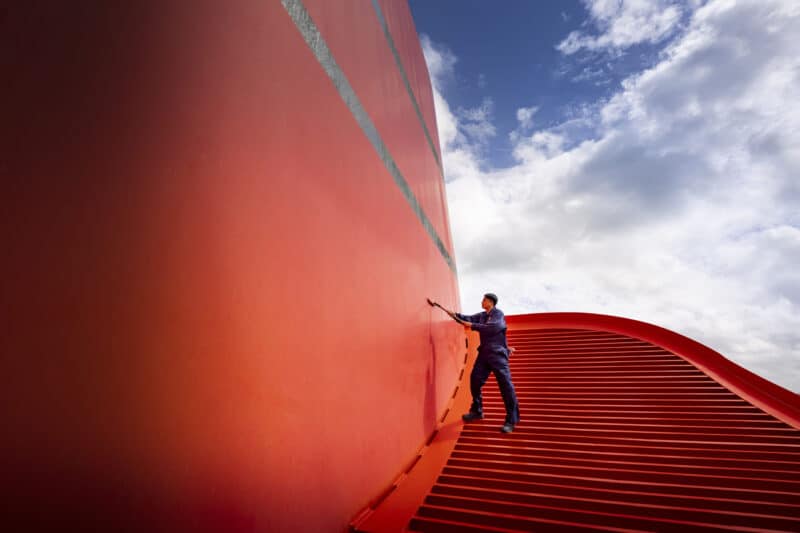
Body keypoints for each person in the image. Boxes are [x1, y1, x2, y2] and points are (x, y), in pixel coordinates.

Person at [441, 293, 520, 433]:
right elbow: (467, 318)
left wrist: (472, 325)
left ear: (491, 302)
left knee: (506, 385)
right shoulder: (482, 316)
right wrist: (453, 314)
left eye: (484, 300)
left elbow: (494, 328)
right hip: (484, 354)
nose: (482, 302)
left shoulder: (498, 314)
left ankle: (511, 420)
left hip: (498, 355)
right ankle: (477, 410)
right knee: (474, 380)